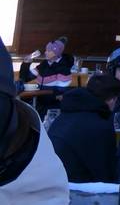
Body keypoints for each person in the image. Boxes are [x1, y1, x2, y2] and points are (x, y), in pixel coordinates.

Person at [0, 35, 70, 203]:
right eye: (46, 50)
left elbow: (62, 91)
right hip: (38, 104)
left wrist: (46, 93)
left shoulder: (63, 68)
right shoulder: (44, 66)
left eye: (50, 51)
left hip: (51, 105)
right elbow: (26, 76)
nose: (47, 53)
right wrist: (26, 63)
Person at [48, 73, 120, 183]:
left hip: (52, 179)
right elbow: (105, 173)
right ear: (112, 100)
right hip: (77, 187)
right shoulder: (100, 126)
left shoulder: (64, 116)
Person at [18, 38, 73, 115]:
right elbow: (26, 78)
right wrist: (26, 63)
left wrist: (40, 95)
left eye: (48, 51)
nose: (45, 52)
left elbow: (60, 93)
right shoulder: (44, 64)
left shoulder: (64, 69)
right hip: (40, 103)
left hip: (54, 107)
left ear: (56, 53)